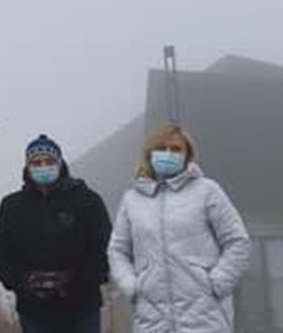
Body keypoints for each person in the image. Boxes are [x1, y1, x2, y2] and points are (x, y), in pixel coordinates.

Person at [108, 122, 251, 333]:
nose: (168, 154)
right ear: (149, 154)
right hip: (152, 320)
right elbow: (117, 250)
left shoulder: (207, 191)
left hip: (206, 317)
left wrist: (218, 282)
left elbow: (238, 242)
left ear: (187, 155)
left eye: (176, 149)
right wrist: (130, 284)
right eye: (161, 148)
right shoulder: (132, 200)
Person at [0, 134, 112, 333]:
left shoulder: (87, 201)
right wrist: (22, 282)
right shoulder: (12, 206)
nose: (43, 166)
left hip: (81, 308)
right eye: (36, 162)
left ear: (60, 162)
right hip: (34, 310)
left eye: (49, 161)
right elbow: (1, 252)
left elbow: (103, 248)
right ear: (27, 167)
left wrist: (74, 281)